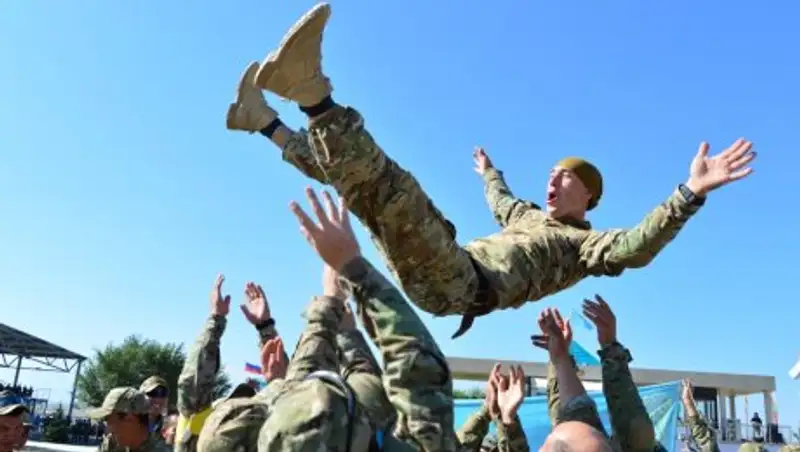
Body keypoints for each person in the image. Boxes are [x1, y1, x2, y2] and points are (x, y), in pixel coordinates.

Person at [226, 2, 757, 338]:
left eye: (566, 177)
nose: (552, 181)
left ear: (589, 198)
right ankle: (262, 121)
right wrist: (488, 172)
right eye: (551, 173)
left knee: (394, 187)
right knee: (360, 181)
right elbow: (503, 202)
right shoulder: (528, 216)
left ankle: (311, 92)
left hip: (463, 285)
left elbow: (637, 247)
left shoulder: (585, 246)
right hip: (447, 264)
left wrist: (690, 192)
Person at [89, 387, 171, 452]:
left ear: (131, 417)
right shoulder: (113, 443)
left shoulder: (160, 449)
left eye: (108, 419)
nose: (108, 428)